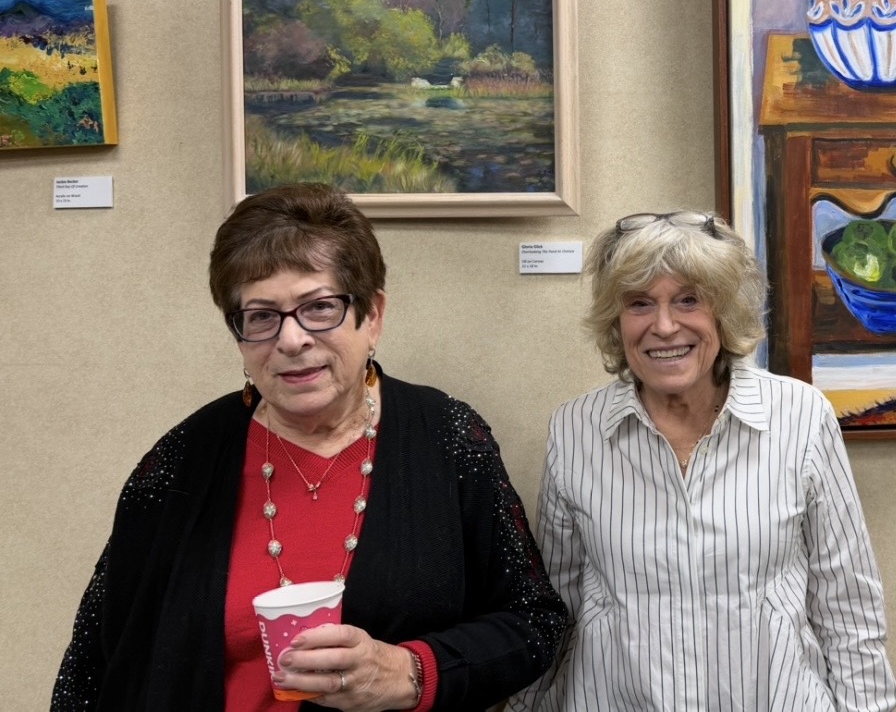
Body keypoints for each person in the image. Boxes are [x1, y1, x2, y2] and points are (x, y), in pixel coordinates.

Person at [53, 183, 568, 711]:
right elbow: (97, 657)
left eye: (319, 307)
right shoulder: (182, 460)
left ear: (373, 317)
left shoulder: (448, 438)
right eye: (261, 316)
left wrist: (412, 672)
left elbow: (533, 621)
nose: (292, 339)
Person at [509, 211, 896, 711]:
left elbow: (847, 602)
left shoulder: (800, 417)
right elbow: (555, 610)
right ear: (616, 319)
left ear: (724, 312)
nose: (665, 326)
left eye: (688, 300)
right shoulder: (575, 429)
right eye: (640, 303)